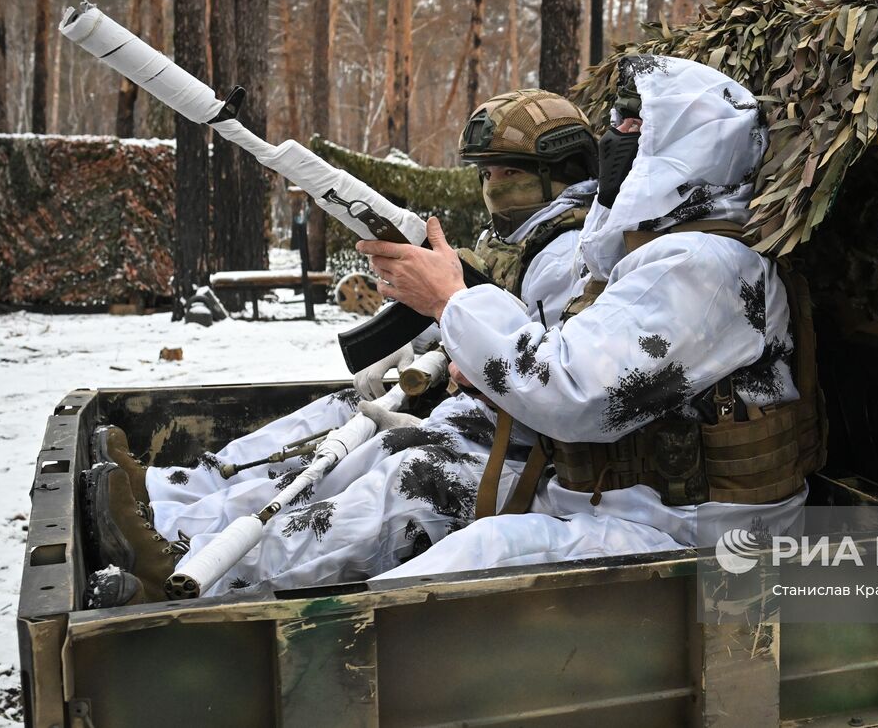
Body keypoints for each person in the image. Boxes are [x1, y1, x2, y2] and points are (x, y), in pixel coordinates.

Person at [85, 90, 598, 604]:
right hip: (474, 421)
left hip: (519, 449)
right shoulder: (517, 243)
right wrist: (424, 332)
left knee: (396, 489)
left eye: (510, 173)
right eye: (486, 173)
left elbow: (544, 369)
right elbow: (487, 314)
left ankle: (192, 572)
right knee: (337, 433)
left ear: (564, 171)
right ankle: (171, 502)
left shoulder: (574, 257)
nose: (493, 186)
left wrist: (454, 332)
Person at [359, 55, 825, 581]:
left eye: (636, 124)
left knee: (452, 569)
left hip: (693, 533)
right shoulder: (652, 254)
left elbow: (574, 390)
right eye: (617, 121)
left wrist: (450, 301)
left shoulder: (705, 266)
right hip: (624, 507)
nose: (617, 136)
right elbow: (566, 342)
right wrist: (457, 327)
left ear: (692, 144)